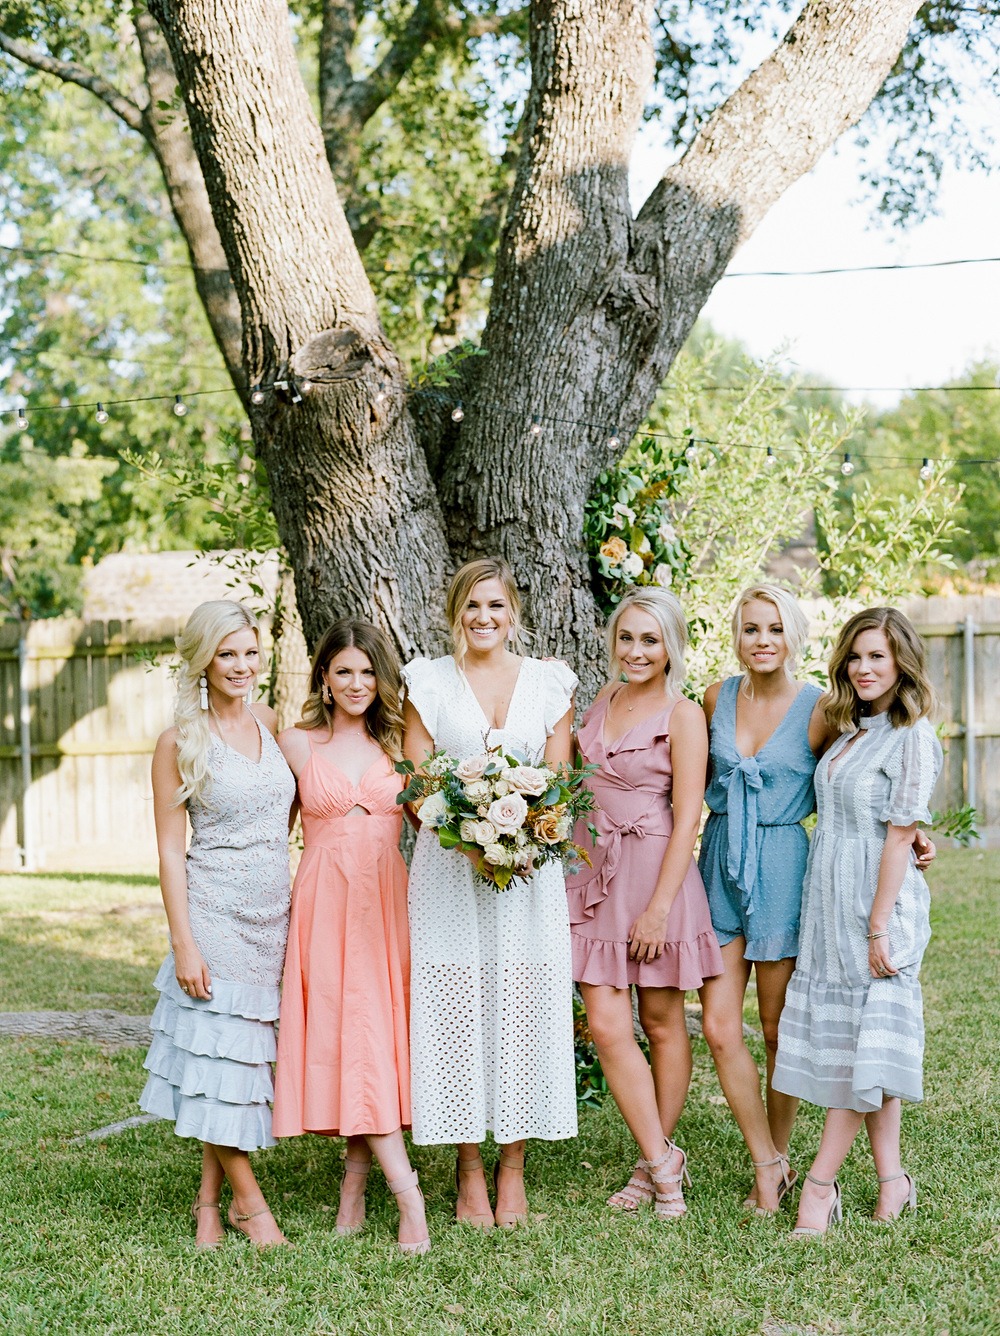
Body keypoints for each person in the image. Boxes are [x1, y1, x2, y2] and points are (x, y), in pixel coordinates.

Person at [697, 586, 935, 1215]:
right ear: (736, 635)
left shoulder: (822, 711)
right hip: (720, 861)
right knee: (721, 1027)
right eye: (750, 628)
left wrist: (911, 835)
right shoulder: (714, 698)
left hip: (785, 866)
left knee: (781, 1029)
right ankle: (770, 1161)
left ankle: (788, 1166)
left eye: (774, 628)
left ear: (794, 635)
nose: (762, 640)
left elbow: (871, 789)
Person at [402, 557, 578, 1229]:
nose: (484, 619)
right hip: (449, 872)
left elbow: (559, 783)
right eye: (472, 607)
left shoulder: (548, 682)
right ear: (455, 612)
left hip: (528, 876)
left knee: (524, 1006)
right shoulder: (429, 680)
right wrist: (467, 826)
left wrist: (523, 831)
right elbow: (417, 781)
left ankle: (513, 1168)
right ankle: (467, 1166)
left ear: (514, 614)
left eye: (496, 607)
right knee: (455, 1006)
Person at [773, 607, 942, 1235]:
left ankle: (818, 1187)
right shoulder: (851, 731)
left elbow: (900, 835)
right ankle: (894, 1182)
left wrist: (877, 925)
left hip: (877, 908)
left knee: (857, 1057)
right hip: (829, 902)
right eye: (856, 655)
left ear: (902, 662)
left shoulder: (913, 734)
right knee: (866, 1052)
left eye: (879, 656)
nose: (865, 667)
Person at [139, 600, 295, 1248]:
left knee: (231, 1057)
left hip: (272, 912)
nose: (241, 665)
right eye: (227, 653)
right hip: (213, 911)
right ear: (203, 659)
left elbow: (281, 811)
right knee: (218, 1050)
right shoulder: (180, 740)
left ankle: (209, 1204)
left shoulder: (269, 720)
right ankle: (251, 1206)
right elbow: (170, 850)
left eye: (250, 652)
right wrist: (184, 943)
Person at [272, 619, 429, 1255]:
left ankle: (357, 1186)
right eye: (344, 672)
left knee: (374, 1039)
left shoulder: (400, 749)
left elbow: (443, 824)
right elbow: (265, 825)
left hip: (387, 904)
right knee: (348, 1034)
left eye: (368, 672)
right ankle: (406, 1195)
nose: (357, 683)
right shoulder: (295, 744)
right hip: (324, 903)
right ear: (324, 678)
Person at [566, 588, 723, 1221]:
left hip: (656, 874)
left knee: (660, 1022)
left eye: (650, 640)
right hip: (594, 869)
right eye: (627, 637)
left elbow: (689, 817)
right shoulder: (602, 701)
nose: (636, 651)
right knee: (606, 1024)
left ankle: (645, 1165)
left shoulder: (683, 715)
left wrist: (659, 908)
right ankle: (664, 1158)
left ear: (670, 648)